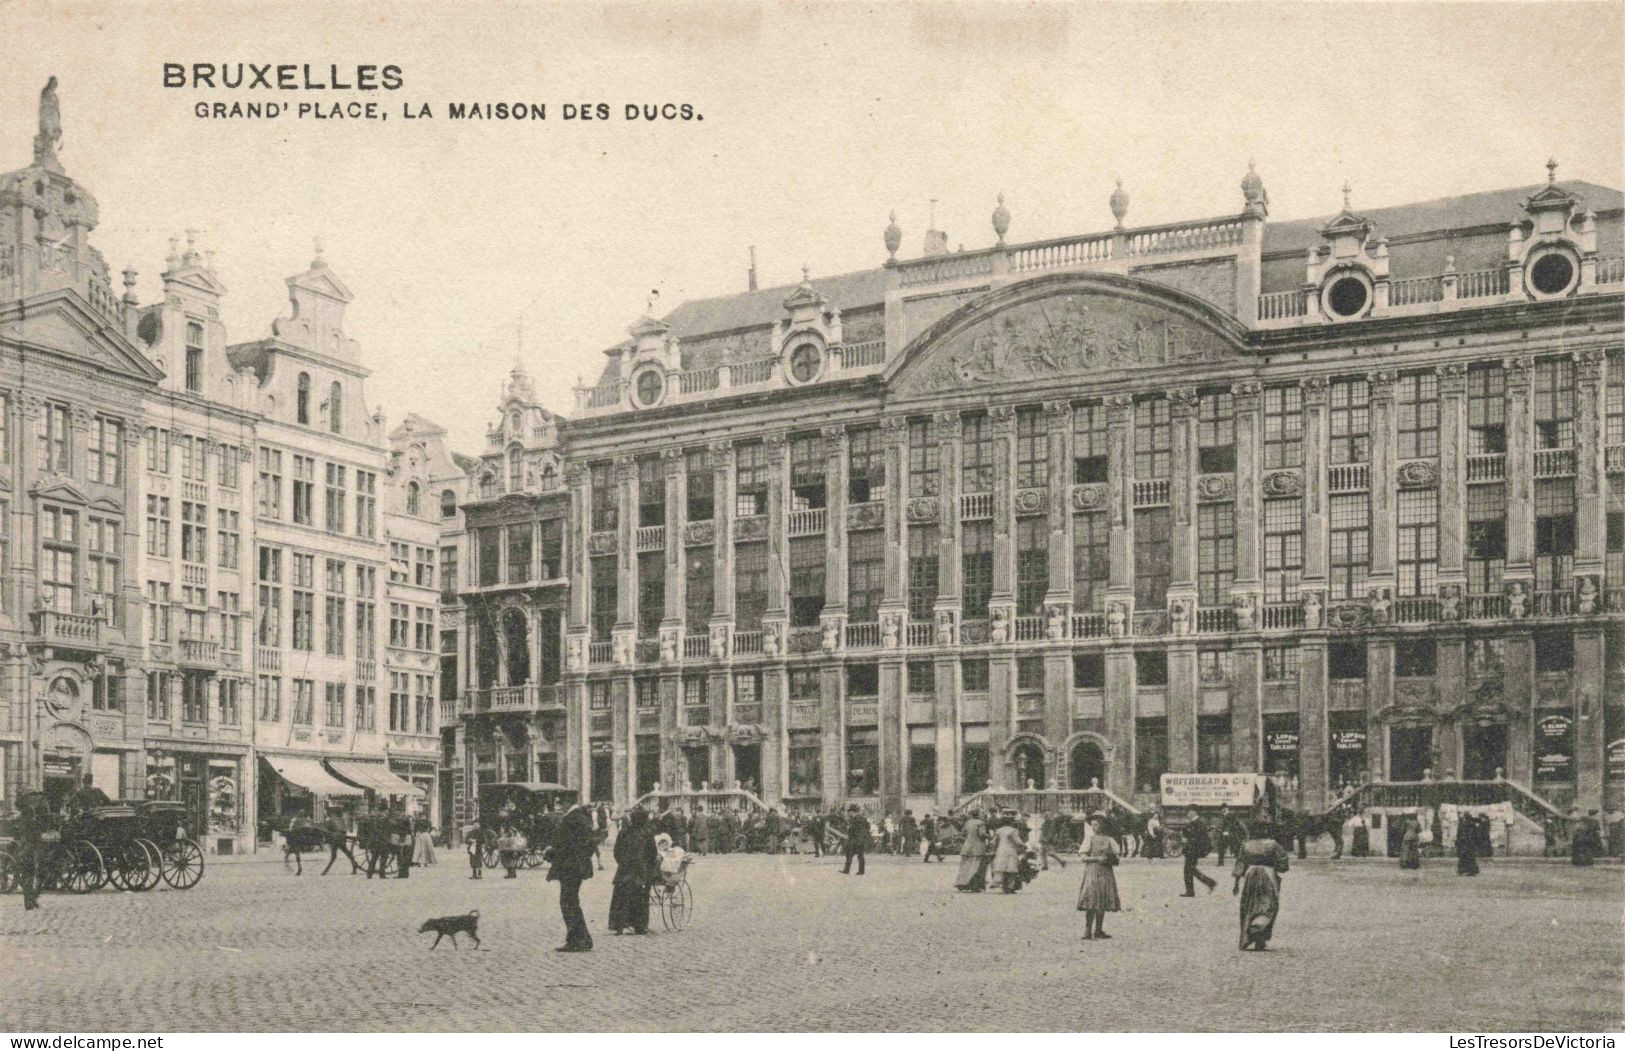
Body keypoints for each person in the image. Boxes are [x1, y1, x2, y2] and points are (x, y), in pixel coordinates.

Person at [1232, 825, 1291, 951]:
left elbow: (1240, 863)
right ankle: (1260, 932)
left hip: (1250, 875)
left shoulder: (1246, 845)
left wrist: (1236, 883)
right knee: (1268, 904)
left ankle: (1248, 935)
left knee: (1248, 905)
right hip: (1268, 874)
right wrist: (1278, 868)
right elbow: (1283, 861)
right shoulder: (1273, 844)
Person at [549, 802, 597, 952]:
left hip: (570, 868)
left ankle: (577, 940)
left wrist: (554, 852)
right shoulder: (580, 818)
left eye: (559, 803)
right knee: (571, 902)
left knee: (568, 903)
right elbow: (589, 844)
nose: (558, 807)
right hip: (576, 868)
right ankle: (583, 938)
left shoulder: (571, 819)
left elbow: (563, 844)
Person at [608, 809, 660, 935]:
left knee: (621, 898)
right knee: (640, 899)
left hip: (624, 871)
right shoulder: (647, 834)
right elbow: (652, 854)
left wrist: (623, 863)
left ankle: (619, 925)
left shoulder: (623, 833)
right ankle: (639, 926)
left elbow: (616, 852)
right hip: (640, 872)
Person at [1076, 813, 1121, 940]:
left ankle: (1098, 930)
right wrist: (1097, 858)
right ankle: (1087, 930)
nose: (1094, 827)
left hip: (1105, 871)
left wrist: (1110, 859)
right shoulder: (1089, 839)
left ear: (1102, 826)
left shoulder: (1109, 840)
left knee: (1102, 899)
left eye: (1096, 824)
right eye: (1092, 825)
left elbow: (1117, 855)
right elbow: (1083, 857)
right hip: (1092, 871)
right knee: (1091, 899)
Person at [10, 792, 55, 911]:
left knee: (29, 872)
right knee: (31, 872)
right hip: (31, 845)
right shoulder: (29, 812)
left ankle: (30, 900)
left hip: (28, 845)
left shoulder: (25, 811)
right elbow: (37, 828)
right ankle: (30, 901)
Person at [1181, 813, 1216, 896]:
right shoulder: (1198, 822)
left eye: (1189, 813)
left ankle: (1191, 891)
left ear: (1193, 813)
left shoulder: (1196, 823)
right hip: (1194, 850)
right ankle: (1210, 883)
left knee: (1188, 870)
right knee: (1191, 870)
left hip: (1192, 850)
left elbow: (1195, 837)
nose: (1188, 815)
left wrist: (1186, 840)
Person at [955, 809, 989, 892]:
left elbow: (962, 834)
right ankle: (974, 885)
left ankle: (961, 883)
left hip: (967, 846)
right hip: (977, 847)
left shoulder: (968, 823)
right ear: (978, 814)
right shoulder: (980, 823)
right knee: (976, 866)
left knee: (965, 866)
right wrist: (990, 837)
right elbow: (982, 834)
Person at [990, 816, 1025, 893]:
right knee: (1011, 869)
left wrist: (993, 850)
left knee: (1001, 868)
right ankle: (1010, 887)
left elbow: (993, 842)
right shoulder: (1013, 830)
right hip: (1011, 850)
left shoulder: (998, 831)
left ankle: (1001, 885)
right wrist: (1023, 846)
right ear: (1011, 822)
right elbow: (1018, 842)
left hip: (1000, 850)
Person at [842, 804, 870, 875]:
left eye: (849, 812)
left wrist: (848, 830)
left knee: (850, 854)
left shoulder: (855, 818)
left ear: (853, 811)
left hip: (854, 839)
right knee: (860, 855)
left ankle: (847, 870)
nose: (849, 813)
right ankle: (861, 871)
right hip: (860, 839)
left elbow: (851, 829)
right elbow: (868, 826)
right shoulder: (862, 818)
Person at [392, 806, 414, 879]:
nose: (397, 813)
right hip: (406, 839)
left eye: (398, 811)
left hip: (403, 840)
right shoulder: (406, 819)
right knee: (404, 857)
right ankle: (405, 873)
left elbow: (404, 830)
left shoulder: (403, 820)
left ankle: (401, 874)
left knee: (401, 857)